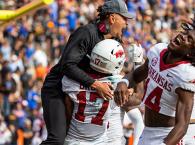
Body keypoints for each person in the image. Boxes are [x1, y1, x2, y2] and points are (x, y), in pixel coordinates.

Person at [40, 0, 135, 144]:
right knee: (57, 140)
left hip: (82, 92)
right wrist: (96, 85)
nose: (127, 23)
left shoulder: (115, 41)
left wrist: (123, 87)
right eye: (124, 18)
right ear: (112, 18)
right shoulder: (86, 32)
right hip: (57, 89)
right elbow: (67, 66)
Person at [114, 18, 195, 145]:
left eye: (189, 39)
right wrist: (123, 82)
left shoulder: (186, 74)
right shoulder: (158, 50)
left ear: (191, 53)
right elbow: (136, 76)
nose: (182, 36)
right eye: (185, 33)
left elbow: (182, 126)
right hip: (147, 131)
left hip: (167, 135)